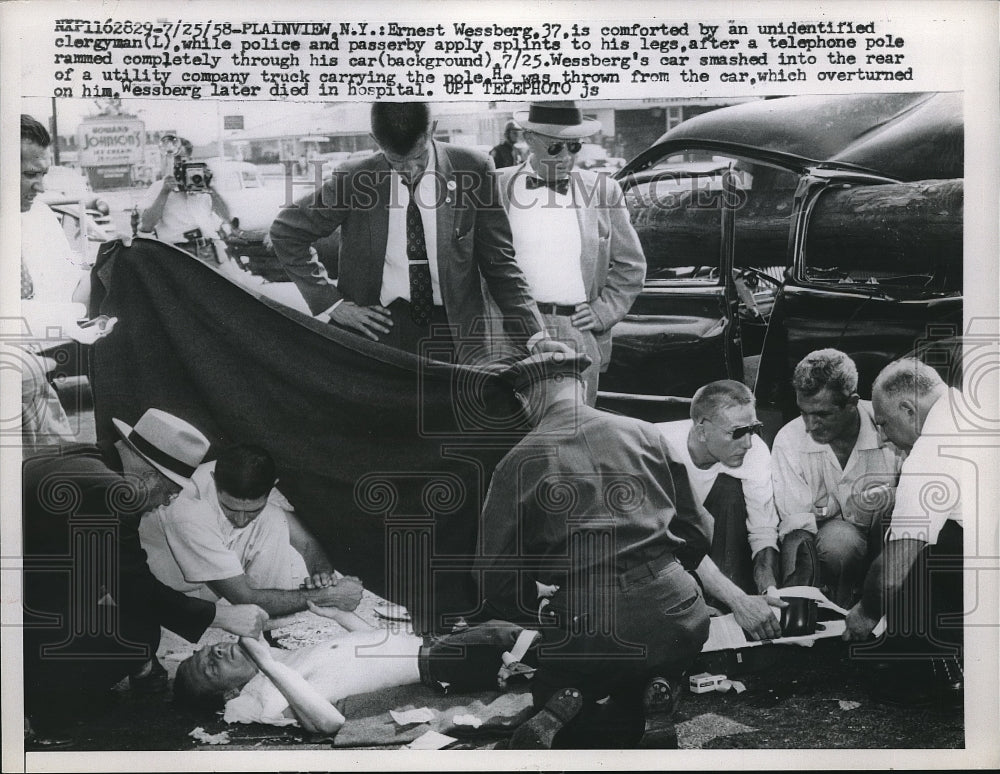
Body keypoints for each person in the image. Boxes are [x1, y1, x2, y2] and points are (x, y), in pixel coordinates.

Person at [473, 351, 781, 749]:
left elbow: (492, 576)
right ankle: (654, 690)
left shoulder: (516, 462)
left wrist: (538, 604)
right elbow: (698, 530)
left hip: (592, 623)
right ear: (581, 386)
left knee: (557, 687)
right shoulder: (644, 433)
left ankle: (565, 706)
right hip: (679, 615)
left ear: (527, 399)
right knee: (643, 667)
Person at [22, 408, 269, 738]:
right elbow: (133, 587)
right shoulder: (113, 493)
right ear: (151, 473)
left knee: (121, 619)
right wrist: (221, 616)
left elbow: (108, 574)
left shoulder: (84, 455)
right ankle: (52, 711)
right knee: (134, 632)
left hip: (28, 578)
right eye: (169, 491)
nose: (166, 502)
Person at [268, 101, 555, 360]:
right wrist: (333, 304)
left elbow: (501, 263)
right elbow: (286, 232)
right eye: (396, 162)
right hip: (376, 333)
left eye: (418, 158)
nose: (410, 171)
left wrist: (537, 336)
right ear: (375, 141)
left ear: (432, 130)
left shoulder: (474, 169)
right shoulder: (355, 178)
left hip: (454, 337)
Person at [174, 603, 541, 734]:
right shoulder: (269, 695)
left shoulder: (285, 661)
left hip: (434, 643)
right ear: (231, 694)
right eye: (209, 668)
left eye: (204, 651)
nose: (216, 652)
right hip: (437, 662)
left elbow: (369, 652)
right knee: (507, 635)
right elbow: (328, 723)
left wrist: (341, 616)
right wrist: (267, 664)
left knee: (508, 614)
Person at [493, 101, 646, 404]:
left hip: (575, 331)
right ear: (529, 138)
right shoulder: (497, 186)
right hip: (511, 332)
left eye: (574, 147)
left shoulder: (603, 190)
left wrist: (603, 311)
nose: (566, 158)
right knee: (512, 433)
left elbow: (632, 266)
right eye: (555, 148)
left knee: (574, 434)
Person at [843, 359, 964, 705]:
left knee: (908, 552)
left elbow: (893, 575)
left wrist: (866, 612)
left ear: (909, 410)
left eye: (883, 423)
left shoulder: (928, 455)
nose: (881, 436)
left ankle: (943, 666)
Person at [140, 443, 363, 616]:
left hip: (216, 582)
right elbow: (242, 596)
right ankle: (266, 621)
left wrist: (322, 575)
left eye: (251, 510)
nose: (240, 519)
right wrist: (327, 596)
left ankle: (271, 626)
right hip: (172, 596)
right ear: (214, 479)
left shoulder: (252, 481)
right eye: (229, 507)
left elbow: (304, 542)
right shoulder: (187, 509)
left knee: (275, 519)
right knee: (269, 520)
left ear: (272, 485)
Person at [771, 349, 905, 607]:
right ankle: (838, 612)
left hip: (891, 541)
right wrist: (792, 599)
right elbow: (796, 530)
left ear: (852, 402)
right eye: (803, 412)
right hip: (833, 551)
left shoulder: (890, 425)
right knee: (840, 541)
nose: (810, 425)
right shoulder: (788, 440)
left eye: (822, 414)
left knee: (897, 504)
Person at [19, 114, 102, 446]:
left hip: (34, 385)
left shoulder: (39, 215)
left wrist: (110, 266)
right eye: (28, 175)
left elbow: (72, 293)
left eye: (43, 174)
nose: (40, 187)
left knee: (58, 474)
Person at [656, 380, 782, 596]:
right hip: (664, 549)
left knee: (729, 489)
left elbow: (763, 530)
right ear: (702, 432)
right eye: (737, 432)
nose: (748, 444)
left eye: (753, 429)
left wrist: (769, 589)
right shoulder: (658, 446)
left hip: (708, 545)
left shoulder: (755, 452)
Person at [139, 135, 233, 265]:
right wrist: (164, 192)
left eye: (183, 159)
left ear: (190, 159)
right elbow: (146, 226)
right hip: (177, 254)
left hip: (208, 251)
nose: (180, 164)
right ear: (167, 161)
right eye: (175, 159)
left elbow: (227, 216)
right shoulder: (158, 188)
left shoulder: (202, 184)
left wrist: (211, 188)